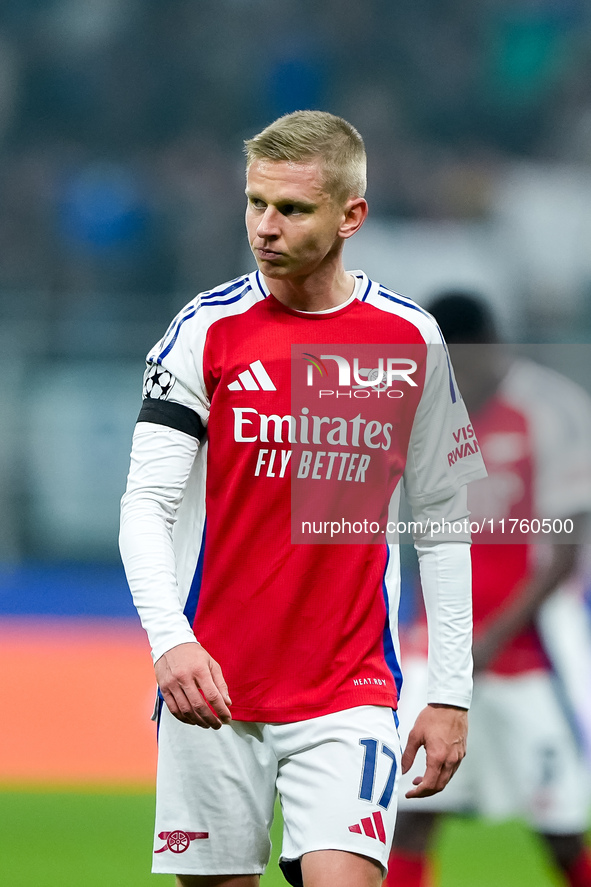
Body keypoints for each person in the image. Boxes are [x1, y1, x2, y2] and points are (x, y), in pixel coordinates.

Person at [119, 111, 486, 887]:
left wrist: (450, 691)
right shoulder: (201, 331)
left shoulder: (408, 338)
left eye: (291, 209)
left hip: (348, 688)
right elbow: (144, 505)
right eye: (255, 203)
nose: (264, 227)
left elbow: (446, 524)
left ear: (351, 214)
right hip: (210, 687)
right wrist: (169, 640)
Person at [387, 292, 591, 887]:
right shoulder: (421, 412)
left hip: (530, 657)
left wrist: (493, 636)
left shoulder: (550, 409)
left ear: (492, 348)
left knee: (560, 828)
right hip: (436, 652)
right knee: (413, 813)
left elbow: (566, 547)